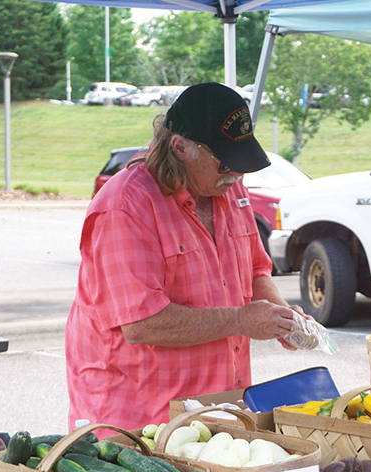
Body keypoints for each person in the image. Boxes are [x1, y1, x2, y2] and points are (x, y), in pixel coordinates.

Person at [65, 83, 305, 432]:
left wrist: (279, 315)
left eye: (241, 163)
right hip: (137, 422)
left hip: (217, 409)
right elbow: (142, 323)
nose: (235, 174)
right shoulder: (125, 207)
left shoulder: (228, 186)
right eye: (226, 162)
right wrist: (242, 320)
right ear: (180, 148)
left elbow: (255, 269)